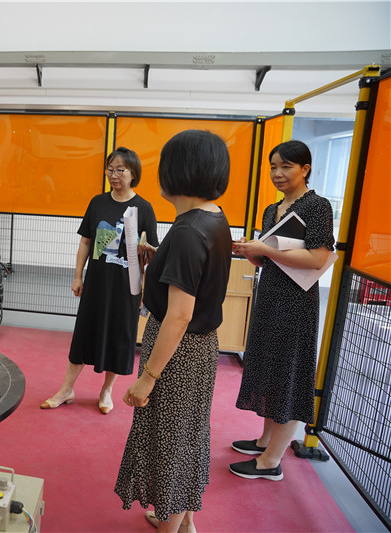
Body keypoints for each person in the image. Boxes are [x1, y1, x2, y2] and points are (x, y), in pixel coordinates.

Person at [115, 130, 232, 533]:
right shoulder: (213, 218)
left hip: (176, 354)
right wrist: (160, 257)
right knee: (186, 436)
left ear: (177, 171)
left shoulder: (186, 232)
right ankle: (184, 520)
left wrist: (148, 376)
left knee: (169, 443)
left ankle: (172, 524)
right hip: (200, 348)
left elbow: (179, 316)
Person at [230, 140, 334, 481]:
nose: (277, 173)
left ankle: (271, 461)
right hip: (270, 298)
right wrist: (251, 252)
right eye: (273, 167)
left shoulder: (317, 206)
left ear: (305, 169)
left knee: (288, 374)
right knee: (269, 369)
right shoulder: (271, 208)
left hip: (297, 304)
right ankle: (264, 441)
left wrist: (265, 250)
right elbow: (267, 260)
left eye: (286, 166)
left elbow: (318, 257)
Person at [40, 147, 158, 414]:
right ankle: (66, 389)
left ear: (133, 173)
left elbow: (151, 253)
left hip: (127, 288)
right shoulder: (97, 202)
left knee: (117, 337)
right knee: (83, 335)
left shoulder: (144, 208)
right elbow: (85, 241)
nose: (113, 175)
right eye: (110, 169)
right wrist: (77, 275)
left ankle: (106, 391)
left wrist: (146, 288)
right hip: (96, 284)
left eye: (120, 170)